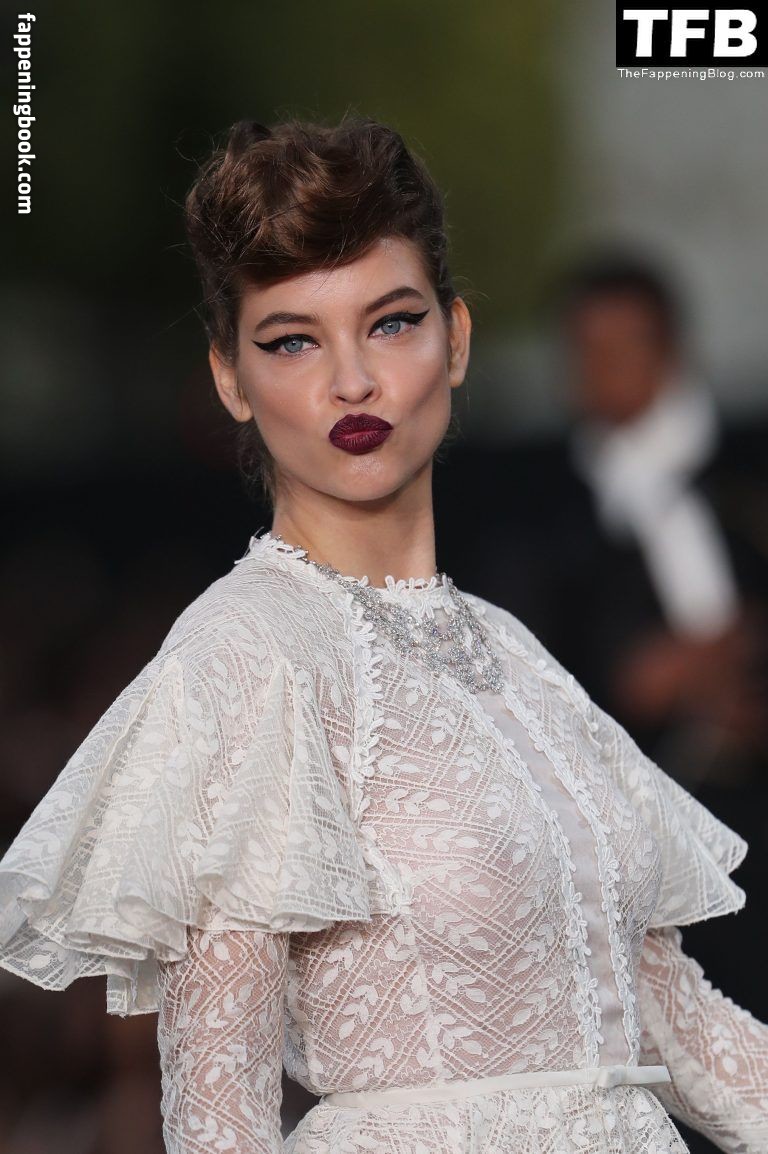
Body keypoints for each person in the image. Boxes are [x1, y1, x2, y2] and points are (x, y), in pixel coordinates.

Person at [0, 116, 765, 1154]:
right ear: (230, 378)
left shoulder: (514, 653)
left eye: (392, 323)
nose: (351, 381)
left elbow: (687, 1033)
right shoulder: (248, 653)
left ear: (457, 339)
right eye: (292, 340)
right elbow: (221, 1122)